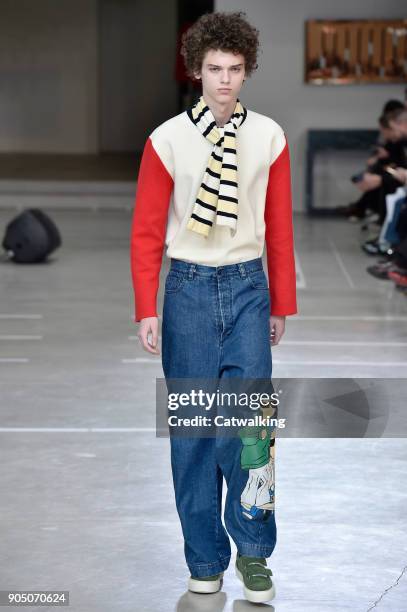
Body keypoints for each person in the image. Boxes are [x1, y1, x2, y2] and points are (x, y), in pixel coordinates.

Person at [130, 10, 297, 604]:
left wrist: (283, 301)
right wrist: (146, 307)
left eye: (234, 69)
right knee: (195, 434)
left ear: (247, 72)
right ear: (195, 72)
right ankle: (204, 558)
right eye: (213, 69)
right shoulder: (168, 139)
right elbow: (148, 229)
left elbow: (277, 225)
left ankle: (254, 555)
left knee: (249, 429)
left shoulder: (269, 136)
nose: (223, 80)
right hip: (189, 294)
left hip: (250, 288)